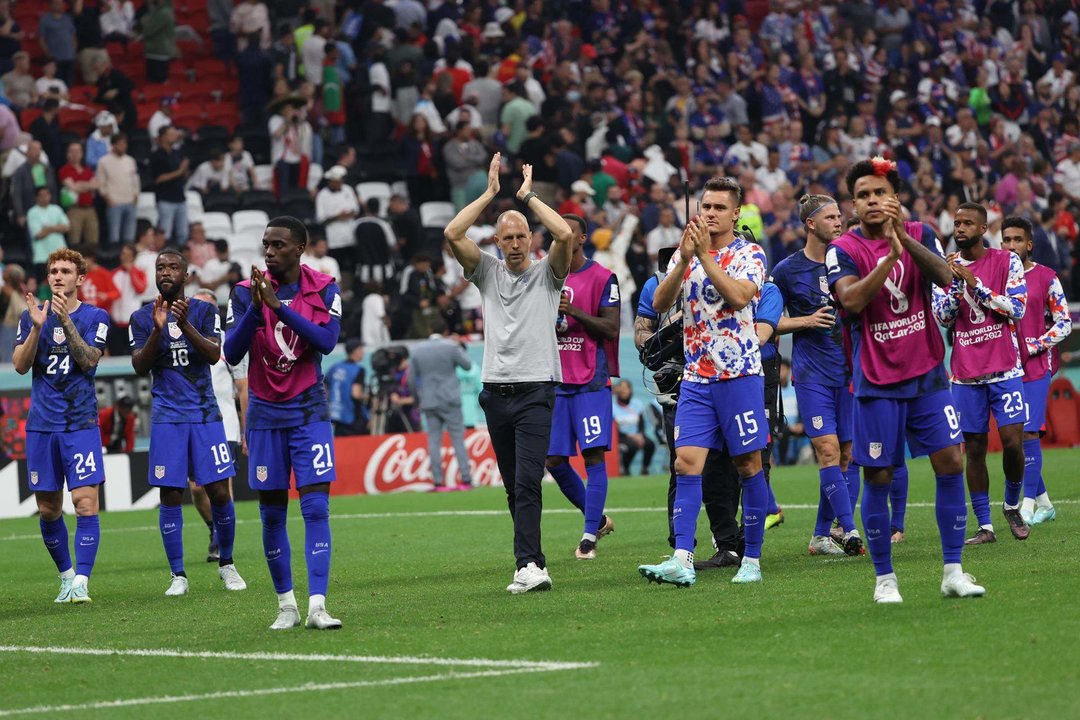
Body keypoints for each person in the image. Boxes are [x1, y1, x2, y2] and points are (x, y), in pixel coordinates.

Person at [827, 157, 982, 603]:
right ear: (854, 204)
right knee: (878, 474)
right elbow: (851, 301)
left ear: (895, 197)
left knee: (951, 462)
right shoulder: (844, 249)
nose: (872, 201)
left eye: (880, 193)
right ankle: (885, 580)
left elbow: (943, 275)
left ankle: (953, 570)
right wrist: (887, 260)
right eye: (863, 196)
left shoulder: (921, 233)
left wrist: (902, 243)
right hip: (876, 382)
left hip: (929, 375)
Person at [443, 153, 573, 594]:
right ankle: (532, 560)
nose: (516, 244)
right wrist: (489, 194)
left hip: (537, 387)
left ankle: (527, 565)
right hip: (495, 390)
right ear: (497, 242)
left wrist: (528, 196)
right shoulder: (485, 272)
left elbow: (564, 232)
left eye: (521, 236)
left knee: (527, 480)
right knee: (513, 485)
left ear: (530, 239)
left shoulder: (549, 274)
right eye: (508, 238)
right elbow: (452, 232)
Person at [638, 176, 770, 587]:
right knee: (685, 462)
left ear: (735, 213)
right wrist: (682, 259)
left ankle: (751, 559)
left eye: (718, 208)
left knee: (748, 465)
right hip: (697, 377)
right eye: (705, 206)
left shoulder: (750, 253)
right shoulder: (687, 253)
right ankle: (682, 558)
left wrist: (704, 258)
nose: (709, 213)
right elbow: (660, 303)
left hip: (741, 375)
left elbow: (738, 297)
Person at [224, 215, 344, 629]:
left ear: (299, 248)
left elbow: (327, 342)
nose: (270, 252)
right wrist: (255, 313)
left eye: (278, 245)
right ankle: (286, 606)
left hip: (309, 410)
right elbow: (230, 351)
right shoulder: (242, 293)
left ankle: (317, 606)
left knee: (315, 508)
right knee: (272, 514)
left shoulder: (325, 287)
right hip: (265, 414)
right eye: (265, 245)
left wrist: (280, 310)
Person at [130, 249, 246, 596]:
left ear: (186, 275)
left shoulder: (205, 310)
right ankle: (177, 575)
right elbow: (139, 366)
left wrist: (183, 324)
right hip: (167, 418)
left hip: (205, 415)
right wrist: (157, 330)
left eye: (172, 267)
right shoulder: (141, 316)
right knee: (170, 493)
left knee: (219, 491)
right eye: (160, 267)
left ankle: (227, 564)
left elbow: (213, 354)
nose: (165, 272)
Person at [13, 248, 110, 604]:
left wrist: (64, 319)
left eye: (65, 271)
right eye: (53, 270)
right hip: (42, 426)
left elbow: (88, 362)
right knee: (48, 509)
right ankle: (67, 577)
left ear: (79, 279)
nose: (57, 276)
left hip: (80, 423)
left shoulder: (96, 316)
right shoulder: (32, 316)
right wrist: (38, 327)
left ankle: (83, 581)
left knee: (85, 503)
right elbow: (21, 366)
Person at [931, 203, 1029, 544]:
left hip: (1005, 368)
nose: (959, 228)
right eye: (956, 222)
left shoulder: (1006, 261)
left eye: (967, 223)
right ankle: (985, 525)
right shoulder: (942, 269)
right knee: (973, 449)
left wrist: (978, 287)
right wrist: (957, 284)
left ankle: (1013, 504)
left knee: (1013, 443)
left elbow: (1017, 308)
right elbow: (943, 317)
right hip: (965, 374)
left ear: (983, 228)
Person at [771, 194, 864, 557]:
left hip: (851, 372)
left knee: (846, 454)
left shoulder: (852, 260)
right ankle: (850, 530)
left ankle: (821, 535)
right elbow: (768, 322)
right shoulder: (786, 270)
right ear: (811, 223)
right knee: (827, 450)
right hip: (812, 374)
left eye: (840, 216)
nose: (839, 222)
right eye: (830, 217)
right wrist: (806, 321)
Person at [544, 213, 620, 559]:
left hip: (590, 379)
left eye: (568, 232)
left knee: (592, 456)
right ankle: (599, 518)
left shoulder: (604, 277)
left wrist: (573, 310)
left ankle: (588, 536)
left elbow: (611, 328)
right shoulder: (543, 275)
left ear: (582, 238)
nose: (560, 237)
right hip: (554, 380)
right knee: (554, 460)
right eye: (555, 232)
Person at [1000, 217, 1071, 525]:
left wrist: (1035, 344)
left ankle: (1026, 505)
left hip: (1036, 367)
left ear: (1029, 244)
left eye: (1017, 240)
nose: (1011, 246)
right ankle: (1044, 503)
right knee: (1015, 437)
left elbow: (1064, 322)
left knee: (1028, 432)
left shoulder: (1046, 277)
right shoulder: (996, 277)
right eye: (1006, 240)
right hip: (1003, 369)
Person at [192, 287, 247, 563]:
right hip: (193, 422)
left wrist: (247, 430)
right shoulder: (182, 339)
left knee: (223, 487)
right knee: (196, 488)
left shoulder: (229, 343)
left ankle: (224, 546)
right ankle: (215, 527)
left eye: (207, 306)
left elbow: (243, 387)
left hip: (225, 422)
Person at [409, 316, 474, 491]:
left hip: (429, 401)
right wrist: (458, 344)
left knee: (433, 442)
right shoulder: (450, 347)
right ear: (446, 332)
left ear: (430, 330)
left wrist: (417, 399)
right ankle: (466, 479)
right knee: (458, 440)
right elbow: (468, 366)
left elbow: (411, 380)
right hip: (450, 399)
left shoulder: (417, 350)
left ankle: (438, 482)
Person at [327, 338, 368, 436]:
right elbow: (356, 394)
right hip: (352, 416)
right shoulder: (358, 369)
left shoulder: (335, 367)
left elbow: (325, 388)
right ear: (355, 351)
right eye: (361, 349)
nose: (362, 352)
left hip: (337, 415)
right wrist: (367, 396)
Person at [612, 379, 654, 476]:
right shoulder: (612, 407)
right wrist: (630, 436)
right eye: (621, 388)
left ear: (630, 390)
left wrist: (641, 435)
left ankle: (645, 469)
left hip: (637, 435)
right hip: (621, 437)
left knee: (650, 444)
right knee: (631, 446)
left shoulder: (637, 404)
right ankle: (626, 470)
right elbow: (614, 430)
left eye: (626, 388)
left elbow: (641, 423)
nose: (623, 391)